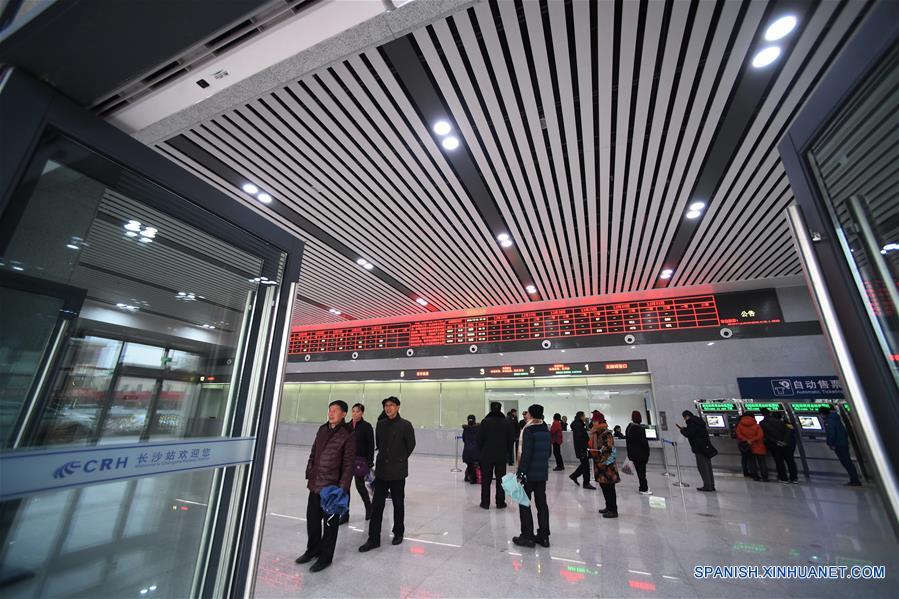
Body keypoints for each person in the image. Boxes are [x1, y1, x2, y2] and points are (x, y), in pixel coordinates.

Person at [295, 400, 355, 572]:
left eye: (335, 410)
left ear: (344, 414)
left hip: (332, 489)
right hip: (315, 485)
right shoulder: (322, 429)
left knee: (329, 526)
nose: (331, 413)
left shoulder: (348, 434)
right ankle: (312, 550)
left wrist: (342, 489)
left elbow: (348, 464)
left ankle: (325, 558)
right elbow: (314, 452)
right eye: (329, 410)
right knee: (312, 520)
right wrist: (309, 470)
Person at [359, 397, 416, 552]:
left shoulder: (406, 425)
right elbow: (380, 444)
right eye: (385, 405)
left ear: (398, 407)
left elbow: (411, 445)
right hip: (382, 471)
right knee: (377, 505)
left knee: (398, 504)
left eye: (391, 405)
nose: (388, 408)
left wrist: (400, 458)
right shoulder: (381, 424)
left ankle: (398, 532)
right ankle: (373, 539)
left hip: (398, 472)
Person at [512, 404, 551, 548]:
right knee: (542, 505)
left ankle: (527, 536)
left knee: (524, 504)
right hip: (541, 474)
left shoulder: (528, 430)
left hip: (529, 475)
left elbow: (526, 454)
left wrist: (521, 473)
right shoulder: (545, 429)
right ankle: (544, 536)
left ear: (532, 414)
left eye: (527, 412)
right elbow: (548, 453)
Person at [477, 401, 514, 509]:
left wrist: (483, 450)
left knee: (486, 480)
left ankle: (485, 503)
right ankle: (500, 502)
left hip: (486, 455)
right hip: (501, 456)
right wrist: (506, 451)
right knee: (501, 480)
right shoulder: (506, 422)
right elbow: (511, 439)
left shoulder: (485, 422)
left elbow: (479, 439)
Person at [343, 403, 374, 524]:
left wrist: (370, 461)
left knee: (360, 486)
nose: (355, 414)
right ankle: (345, 513)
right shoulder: (346, 426)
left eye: (358, 411)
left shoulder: (367, 426)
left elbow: (371, 445)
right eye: (353, 411)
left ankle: (369, 508)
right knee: (345, 488)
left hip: (360, 461)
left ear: (362, 413)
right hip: (346, 461)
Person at [820, 406, 861, 486]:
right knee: (848, 462)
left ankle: (855, 480)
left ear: (823, 414)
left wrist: (830, 443)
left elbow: (831, 434)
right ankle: (854, 479)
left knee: (846, 462)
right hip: (843, 443)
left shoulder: (830, 421)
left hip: (838, 444)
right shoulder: (836, 419)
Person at [589, 412, 620, 518]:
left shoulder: (606, 433)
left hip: (607, 467)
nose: (593, 422)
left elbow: (611, 450)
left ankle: (613, 510)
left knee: (610, 488)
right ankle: (608, 507)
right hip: (600, 465)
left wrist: (603, 461)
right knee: (604, 487)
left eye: (594, 420)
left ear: (600, 421)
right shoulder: (596, 433)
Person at [677, 410, 716, 492]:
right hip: (705, 446)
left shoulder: (691, 423)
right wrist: (686, 429)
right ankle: (711, 485)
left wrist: (682, 430)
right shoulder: (698, 422)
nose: (685, 420)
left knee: (702, 467)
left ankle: (707, 486)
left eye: (684, 418)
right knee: (708, 466)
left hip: (699, 447)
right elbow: (695, 431)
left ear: (687, 416)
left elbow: (689, 434)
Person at [735, 412, 768, 481]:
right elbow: (760, 435)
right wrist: (752, 440)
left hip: (748, 447)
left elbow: (739, 434)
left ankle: (755, 476)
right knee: (761, 462)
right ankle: (765, 477)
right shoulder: (756, 425)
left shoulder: (740, 425)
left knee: (752, 462)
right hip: (758, 445)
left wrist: (747, 440)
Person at [760, 409, 790, 483]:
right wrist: (784, 441)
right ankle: (791, 477)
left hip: (773, 444)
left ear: (762, 414)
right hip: (783, 444)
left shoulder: (762, 423)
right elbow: (787, 431)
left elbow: (766, 435)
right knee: (787, 461)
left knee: (778, 461)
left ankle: (783, 478)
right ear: (769, 413)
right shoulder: (780, 421)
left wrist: (777, 442)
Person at [625, 410, 651, 495]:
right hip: (641, 454)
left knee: (640, 472)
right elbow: (644, 443)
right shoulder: (640, 429)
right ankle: (643, 488)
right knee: (642, 472)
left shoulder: (628, 428)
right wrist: (647, 454)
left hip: (633, 454)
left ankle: (642, 487)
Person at [568, 411, 595, 489]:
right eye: (584, 416)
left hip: (581, 448)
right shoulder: (578, 425)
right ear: (580, 417)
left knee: (584, 464)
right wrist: (586, 445)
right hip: (582, 448)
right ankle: (586, 483)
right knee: (586, 465)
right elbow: (580, 437)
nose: (585, 418)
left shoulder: (577, 425)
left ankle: (574, 476)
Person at [774, 412, 799, 483]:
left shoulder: (775, 424)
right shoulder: (788, 424)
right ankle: (794, 478)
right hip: (789, 445)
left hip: (779, 445)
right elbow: (792, 432)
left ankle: (783, 477)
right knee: (790, 461)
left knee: (780, 462)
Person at [462, 414, 480, 485]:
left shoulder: (465, 429)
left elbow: (464, 439)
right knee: (474, 464)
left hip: (467, 450)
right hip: (476, 450)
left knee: (469, 464)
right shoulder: (478, 428)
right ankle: (473, 478)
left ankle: (468, 477)